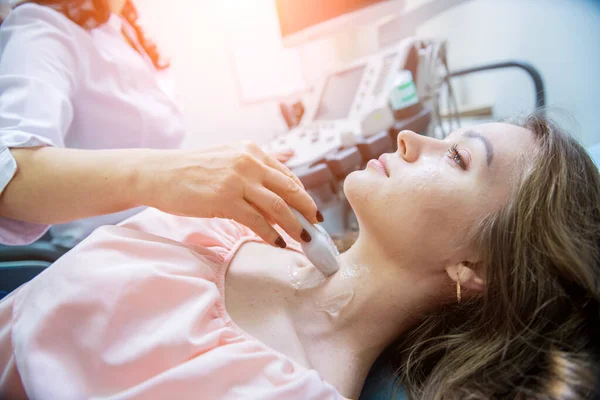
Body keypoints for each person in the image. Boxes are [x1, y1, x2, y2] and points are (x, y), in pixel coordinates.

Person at [1, 113, 599, 399]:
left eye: (459, 158)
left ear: (476, 269)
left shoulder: (284, 391)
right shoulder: (230, 223)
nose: (413, 139)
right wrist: (153, 174)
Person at [0, 0, 311, 249]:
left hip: (171, 240)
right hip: (110, 260)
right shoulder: (39, 29)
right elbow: (10, 174)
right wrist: (157, 176)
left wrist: (226, 164)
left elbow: (155, 150)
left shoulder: (121, 31)